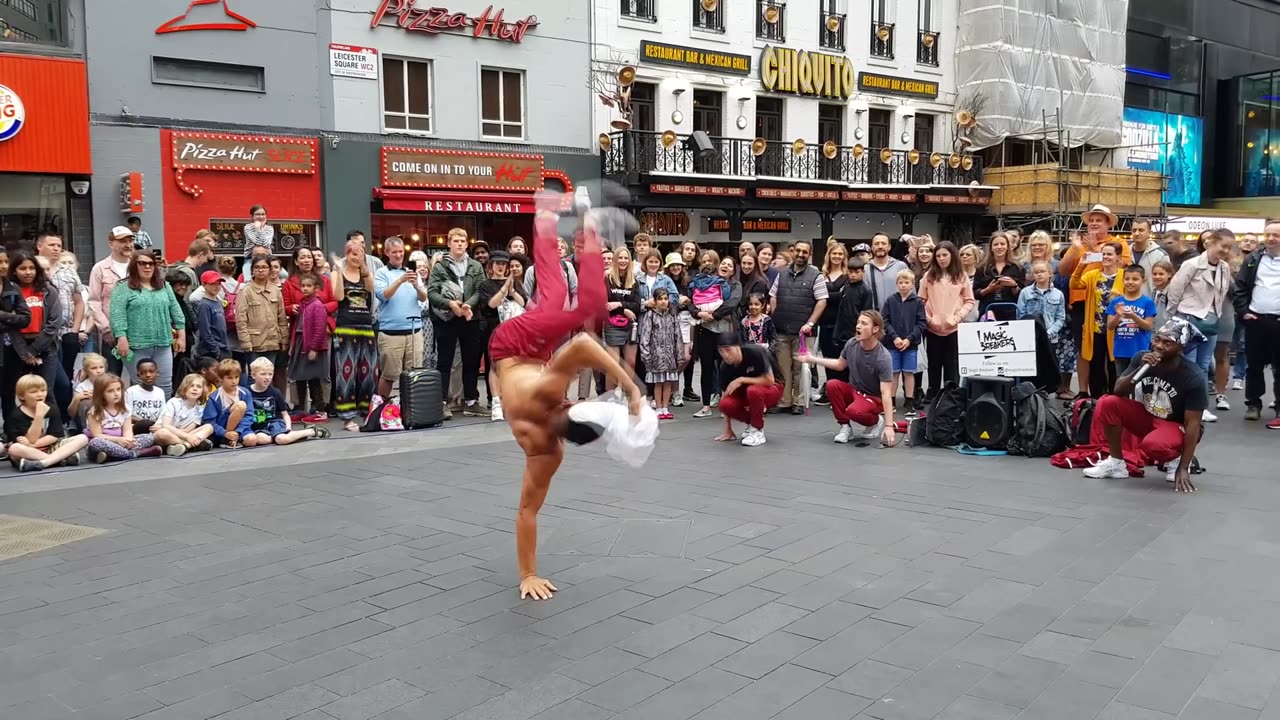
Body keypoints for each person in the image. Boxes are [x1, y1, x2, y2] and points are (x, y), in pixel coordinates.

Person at [488, 204, 643, 601]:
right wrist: (528, 575)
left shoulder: (544, 399)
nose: (571, 399)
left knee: (587, 309)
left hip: (510, 344)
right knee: (557, 296)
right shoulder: (549, 451)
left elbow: (583, 345)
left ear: (567, 410)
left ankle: (556, 221)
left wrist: (633, 390)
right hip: (529, 356)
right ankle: (570, 228)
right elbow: (526, 512)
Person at [1083, 318, 1207, 493]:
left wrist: (1184, 468)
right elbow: (1118, 391)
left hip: (1177, 426)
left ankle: (1175, 460)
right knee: (1107, 403)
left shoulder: (1193, 376)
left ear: (1181, 349)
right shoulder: (1142, 357)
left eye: (1167, 343)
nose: (1159, 346)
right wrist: (1141, 368)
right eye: (1157, 339)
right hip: (1149, 416)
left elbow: (1193, 424)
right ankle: (1116, 464)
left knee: (1153, 446)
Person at [799, 310, 898, 446]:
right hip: (854, 390)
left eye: (864, 324)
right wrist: (812, 359)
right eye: (858, 322)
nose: (858, 326)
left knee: (854, 411)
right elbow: (840, 365)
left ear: (875, 329)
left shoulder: (883, 357)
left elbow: (886, 394)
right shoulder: (852, 344)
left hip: (873, 398)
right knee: (832, 385)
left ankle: (875, 421)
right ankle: (845, 427)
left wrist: (888, 426)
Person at [1167, 228, 1232, 422]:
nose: (1226, 251)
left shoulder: (1224, 268)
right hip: (1188, 319)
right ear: (1211, 242)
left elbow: (1222, 294)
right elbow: (1175, 291)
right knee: (1189, 364)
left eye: (1229, 248)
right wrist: (1175, 317)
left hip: (1211, 322)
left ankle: (1200, 407)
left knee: (1203, 365)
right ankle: (1182, 405)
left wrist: (1217, 314)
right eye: (1223, 246)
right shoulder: (1191, 264)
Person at [110, 250, 186, 397]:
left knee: (165, 386)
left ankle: (163, 419)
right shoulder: (122, 288)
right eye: (142, 263)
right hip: (136, 346)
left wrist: (181, 335)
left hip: (163, 344)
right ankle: (140, 420)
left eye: (151, 263)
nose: (147, 267)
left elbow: (176, 310)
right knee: (140, 387)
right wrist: (121, 338)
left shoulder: (164, 286)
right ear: (134, 265)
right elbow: (117, 316)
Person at [428, 228, 487, 417]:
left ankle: (471, 401)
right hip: (447, 319)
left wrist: (468, 305)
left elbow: (480, 289)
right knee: (444, 361)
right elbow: (432, 293)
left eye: (463, 241)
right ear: (449, 243)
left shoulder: (475, 266)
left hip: (470, 318)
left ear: (467, 244)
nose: (460, 244)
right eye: (456, 241)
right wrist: (450, 304)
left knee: (471, 362)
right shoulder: (439, 267)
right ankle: (442, 402)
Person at [767, 239, 827, 415]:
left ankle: (799, 401)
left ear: (809, 254)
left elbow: (822, 301)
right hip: (781, 329)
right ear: (793, 252)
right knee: (783, 367)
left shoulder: (816, 275)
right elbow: (773, 295)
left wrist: (810, 323)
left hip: (804, 332)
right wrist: (775, 313)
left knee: (800, 368)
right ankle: (785, 401)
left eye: (805, 252)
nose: (801, 254)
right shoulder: (782, 273)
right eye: (798, 251)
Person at [4, 250, 59, 423]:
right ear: (14, 270)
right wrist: (25, 353)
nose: (28, 272)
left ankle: (53, 430)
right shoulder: (10, 293)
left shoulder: (48, 291)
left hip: (45, 346)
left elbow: (54, 323)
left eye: (31, 268)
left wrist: (34, 350)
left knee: (46, 391)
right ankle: (16, 431)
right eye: (22, 268)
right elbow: (9, 325)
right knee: (17, 392)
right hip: (17, 347)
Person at [1234, 220, 1280, 426]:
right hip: (1256, 320)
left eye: (1276, 235)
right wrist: (1243, 311)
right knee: (1254, 366)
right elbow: (1241, 286)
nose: (1270, 239)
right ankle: (1253, 403)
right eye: (1267, 234)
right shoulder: (1253, 258)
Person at [330, 241, 378, 430]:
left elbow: (370, 289)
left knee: (370, 372)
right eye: (353, 254)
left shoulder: (365, 272)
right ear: (346, 255)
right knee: (346, 372)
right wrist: (340, 271)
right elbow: (339, 297)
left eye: (360, 254)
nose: (357, 257)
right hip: (345, 327)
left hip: (366, 326)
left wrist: (364, 267)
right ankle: (348, 416)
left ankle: (367, 412)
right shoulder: (336, 273)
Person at [374, 237, 428, 400]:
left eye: (401, 252)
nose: (398, 255)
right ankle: (379, 409)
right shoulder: (381, 273)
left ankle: (411, 410)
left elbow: (423, 297)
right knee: (389, 375)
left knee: (414, 375)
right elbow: (383, 295)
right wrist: (399, 281)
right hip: (391, 332)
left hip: (414, 331)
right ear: (387, 253)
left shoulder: (413, 273)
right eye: (395, 252)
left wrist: (416, 285)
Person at [919, 242, 975, 397]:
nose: (941, 259)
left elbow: (969, 300)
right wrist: (929, 319)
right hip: (933, 329)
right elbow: (921, 300)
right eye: (938, 256)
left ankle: (952, 397)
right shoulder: (928, 276)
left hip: (954, 329)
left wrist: (957, 318)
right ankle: (934, 394)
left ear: (952, 256)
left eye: (945, 255)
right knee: (934, 365)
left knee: (952, 366)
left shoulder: (961, 276)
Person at [1071, 241, 1126, 398]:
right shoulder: (1092, 275)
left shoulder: (1124, 276)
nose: (1106, 257)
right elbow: (1074, 284)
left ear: (1118, 257)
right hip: (1095, 328)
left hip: (1117, 329)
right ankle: (1096, 400)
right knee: (1095, 366)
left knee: (1114, 366)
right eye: (1104, 254)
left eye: (1109, 254)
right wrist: (1081, 265)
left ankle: (1114, 399)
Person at [477, 251, 524, 422]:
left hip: (514, 330)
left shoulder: (515, 283)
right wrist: (504, 288)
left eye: (503, 264)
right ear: (491, 265)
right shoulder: (485, 285)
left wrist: (512, 290)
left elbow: (523, 303)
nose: (501, 267)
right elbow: (490, 304)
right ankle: (496, 401)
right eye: (497, 263)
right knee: (495, 365)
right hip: (494, 329)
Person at [6, 374, 87, 471]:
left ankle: (45, 462)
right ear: (22, 396)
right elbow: (30, 439)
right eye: (33, 392)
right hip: (29, 453)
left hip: (50, 447)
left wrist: (33, 445)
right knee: (14, 449)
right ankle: (60, 459)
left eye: (43, 390)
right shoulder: (16, 415)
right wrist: (39, 416)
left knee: (83, 438)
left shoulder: (52, 408)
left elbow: (54, 436)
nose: (40, 394)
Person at [241, 357, 329, 447]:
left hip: (275, 422)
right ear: (253, 375)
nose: (267, 377)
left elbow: (285, 414)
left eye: (270, 374)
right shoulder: (246, 392)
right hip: (258, 426)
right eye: (263, 374)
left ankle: (311, 431)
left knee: (281, 439)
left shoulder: (275, 392)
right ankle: (284, 437)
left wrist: (288, 427)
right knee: (261, 438)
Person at [715, 331, 783, 446]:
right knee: (724, 404)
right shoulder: (725, 366)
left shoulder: (755, 352)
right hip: (746, 392)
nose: (725, 354)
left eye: (728, 350)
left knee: (754, 390)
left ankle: (757, 430)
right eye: (721, 351)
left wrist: (741, 379)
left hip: (772, 388)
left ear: (738, 347)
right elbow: (725, 394)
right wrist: (728, 429)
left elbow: (769, 380)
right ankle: (751, 424)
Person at [235, 255, 288, 393]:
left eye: (264, 267)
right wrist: (245, 342)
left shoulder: (276, 291)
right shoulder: (246, 291)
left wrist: (284, 340)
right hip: (254, 343)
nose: (261, 270)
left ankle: (271, 405)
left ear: (270, 270)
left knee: (269, 376)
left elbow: (281, 317)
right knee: (255, 377)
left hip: (273, 341)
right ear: (252, 270)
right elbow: (240, 319)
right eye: (257, 267)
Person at [88, 226, 137, 375]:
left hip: (138, 331)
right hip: (111, 334)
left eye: (130, 240)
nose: (128, 244)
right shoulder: (100, 269)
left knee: (140, 375)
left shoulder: (139, 266)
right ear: (111, 244)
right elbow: (94, 302)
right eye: (122, 241)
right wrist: (106, 329)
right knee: (112, 377)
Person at [86, 373, 161, 463]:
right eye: (110, 391)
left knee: (149, 437)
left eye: (118, 389)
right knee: (96, 442)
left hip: (122, 442)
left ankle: (114, 456)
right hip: (105, 442)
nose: (116, 394)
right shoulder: (95, 411)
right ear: (101, 394)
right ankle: (134, 454)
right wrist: (118, 440)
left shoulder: (125, 408)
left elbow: (128, 430)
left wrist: (129, 440)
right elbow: (97, 435)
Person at [288, 273, 332, 423]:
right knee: (299, 376)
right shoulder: (303, 304)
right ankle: (301, 409)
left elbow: (320, 329)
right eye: (303, 286)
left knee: (314, 379)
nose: (305, 289)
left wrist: (314, 348)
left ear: (316, 288)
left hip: (313, 346)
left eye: (309, 286)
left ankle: (320, 411)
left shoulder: (317, 306)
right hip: (301, 343)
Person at [881, 270, 927, 412]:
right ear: (896, 284)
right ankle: (892, 401)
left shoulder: (918, 302)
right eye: (900, 282)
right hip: (892, 343)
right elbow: (885, 320)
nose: (903, 285)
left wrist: (909, 338)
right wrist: (894, 337)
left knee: (908, 372)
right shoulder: (890, 300)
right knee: (893, 372)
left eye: (907, 283)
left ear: (913, 284)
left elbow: (921, 323)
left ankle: (909, 401)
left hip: (910, 344)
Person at [1018, 260, 1068, 386]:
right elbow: (1020, 314)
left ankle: (1046, 392)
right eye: (1036, 272)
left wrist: (1049, 332)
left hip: (1051, 338)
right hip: (1029, 338)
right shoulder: (1025, 292)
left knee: (1048, 366)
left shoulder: (1058, 294)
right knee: (1030, 367)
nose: (1039, 274)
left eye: (1042, 271)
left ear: (1050, 273)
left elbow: (1060, 317)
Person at [638, 288, 683, 420]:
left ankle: (665, 407)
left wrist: (679, 354)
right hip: (656, 355)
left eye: (665, 299)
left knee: (668, 382)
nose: (663, 302)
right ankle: (658, 407)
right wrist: (646, 355)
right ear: (655, 301)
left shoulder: (672, 316)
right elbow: (645, 336)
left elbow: (678, 336)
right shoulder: (650, 315)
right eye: (660, 299)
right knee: (658, 382)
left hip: (670, 356)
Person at [1107, 265, 1158, 378]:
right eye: (1127, 279)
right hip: (1120, 350)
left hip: (1140, 351)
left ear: (1143, 281)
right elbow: (1110, 326)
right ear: (1123, 280)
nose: (1130, 282)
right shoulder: (1116, 301)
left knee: (1140, 382)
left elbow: (1148, 326)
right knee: (1121, 381)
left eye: (1135, 279)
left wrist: (1133, 316)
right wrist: (1118, 316)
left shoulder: (1147, 302)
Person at [814, 242, 849, 406]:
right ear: (829, 256)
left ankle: (844, 393)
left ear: (844, 257)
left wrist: (827, 295)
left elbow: (844, 298)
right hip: (825, 323)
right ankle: (830, 392)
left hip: (842, 324)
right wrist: (836, 295)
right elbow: (818, 298)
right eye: (834, 253)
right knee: (828, 359)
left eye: (840, 254)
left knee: (843, 359)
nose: (837, 256)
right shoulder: (822, 275)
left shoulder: (848, 275)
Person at [155, 373, 214, 456]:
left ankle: (184, 446)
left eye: (198, 386)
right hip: (169, 434)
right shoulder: (174, 402)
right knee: (161, 433)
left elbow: (188, 430)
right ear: (184, 388)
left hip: (184, 434)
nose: (195, 389)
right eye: (191, 386)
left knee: (209, 427)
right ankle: (192, 445)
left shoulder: (200, 408)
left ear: (203, 390)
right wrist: (187, 437)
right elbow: (166, 425)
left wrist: (187, 435)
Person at [974, 232, 1024, 319]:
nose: (999, 247)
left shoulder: (1018, 268)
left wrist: (1013, 285)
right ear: (991, 248)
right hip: (987, 311)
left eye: (1002, 244)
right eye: (996, 244)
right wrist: (989, 289)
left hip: (1010, 312)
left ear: (1007, 247)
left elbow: (1023, 294)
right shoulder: (982, 268)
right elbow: (975, 294)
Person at [202, 359, 251, 447]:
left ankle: (234, 439)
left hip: (240, 429)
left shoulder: (245, 392)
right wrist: (225, 433)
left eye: (236, 377)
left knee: (251, 440)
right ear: (221, 378)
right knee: (241, 405)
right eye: (229, 378)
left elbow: (249, 415)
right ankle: (226, 440)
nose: (234, 381)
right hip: (221, 431)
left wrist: (238, 431)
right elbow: (209, 421)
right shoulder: (214, 397)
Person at [833, 257, 874, 348]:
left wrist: (861, 334)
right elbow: (840, 311)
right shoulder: (846, 288)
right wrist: (836, 333)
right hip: (842, 333)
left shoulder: (866, 291)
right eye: (851, 272)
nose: (853, 275)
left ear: (863, 272)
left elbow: (866, 315)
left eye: (857, 272)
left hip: (856, 333)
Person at [863, 233, 910, 313]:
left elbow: (910, 293)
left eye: (883, 243)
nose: (880, 246)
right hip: (873, 317)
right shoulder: (865, 269)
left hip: (898, 315)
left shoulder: (901, 266)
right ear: (872, 247)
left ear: (889, 247)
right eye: (876, 244)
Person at [195, 270, 231, 360]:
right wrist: (216, 351)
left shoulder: (218, 302)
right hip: (210, 351)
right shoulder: (204, 305)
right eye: (212, 284)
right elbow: (205, 332)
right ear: (204, 285)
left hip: (222, 347)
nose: (217, 287)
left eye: (219, 284)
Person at [124, 358, 166, 433]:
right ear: (138, 375)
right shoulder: (131, 392)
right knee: (144, 424)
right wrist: (147, 422)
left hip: (155, 427)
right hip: (137, 426)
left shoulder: (160, 392)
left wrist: (158, 425)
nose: (148, 375)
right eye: (143, 372)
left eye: (151, 371)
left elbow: (163, 415)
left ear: (157, 373)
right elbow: (126, 416)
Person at [241, 205, 273, 278]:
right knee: (247, 278)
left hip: (267, 257)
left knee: (284, 274)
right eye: (258, 214)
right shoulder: (247, 227)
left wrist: (259, 229)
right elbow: (257, 242)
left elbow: (266, 243)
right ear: (252, 216)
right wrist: (258, 228)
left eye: (263, 214)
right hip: (250, 258)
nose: (261, 216)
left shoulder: (270, 229)